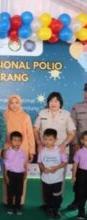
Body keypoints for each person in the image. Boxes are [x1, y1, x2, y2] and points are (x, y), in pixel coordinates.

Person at [3, 95, 35, 205]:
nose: (14, 105)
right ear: (8, 104)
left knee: (21, 177)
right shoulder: (5, 115)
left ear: (20, 103)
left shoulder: (25, 116)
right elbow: (2, 133)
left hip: (23, 150)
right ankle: (8, 201)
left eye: (17, 102)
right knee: (9, 175)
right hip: (9, 149)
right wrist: (3, 148)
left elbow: (30, 135)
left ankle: (19, 201)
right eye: (12, 103)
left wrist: (31, 151)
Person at [38, 128, 68, 219]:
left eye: (50, 139)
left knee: (57, 195)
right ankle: (49, 209)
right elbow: (39, 162)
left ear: (55, 140)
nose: (47, 142)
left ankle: (57, 209)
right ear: (43, 139)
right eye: (45, 139)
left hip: (57, 179)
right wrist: (43, 169)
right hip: (46, 179)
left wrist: (56, 168)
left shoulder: (59, 150)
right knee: (47, 195)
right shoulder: (42, 151)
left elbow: (65, 162)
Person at [69, 83, 87, 211]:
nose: (86, 93)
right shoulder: (76, 107)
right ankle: (77, 201)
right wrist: (75, 143)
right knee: (80, 181)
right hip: (81, 150)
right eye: (85, 91)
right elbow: (73, 128)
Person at [4, 131, 28, 215]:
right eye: (15, 140)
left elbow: (24, 164)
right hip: (11, 174)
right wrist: (6, 175)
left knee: (19, 192)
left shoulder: (23, 152)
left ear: (21, 141)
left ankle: (17, 207)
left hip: (20, 174)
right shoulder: (8, 152)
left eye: (19, 140)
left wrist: (25, 173)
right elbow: (6, 165)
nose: (17, 142)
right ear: (11, 141)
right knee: (10, 192)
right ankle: (10, 207)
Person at [72, 131, 87, 220]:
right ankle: (81, 213)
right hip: (82, 174)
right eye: (86, 140)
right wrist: (73, 176)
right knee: (81, 194)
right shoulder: (79, 152)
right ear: (82, 141)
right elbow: (75, 164)